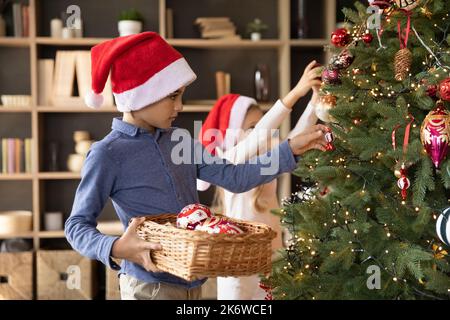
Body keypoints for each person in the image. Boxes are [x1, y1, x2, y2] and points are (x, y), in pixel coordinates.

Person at [64, 31, 328, 300]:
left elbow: (234, 176)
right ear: (140, 96)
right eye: (172, 96)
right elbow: (76, 226)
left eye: (181, 95)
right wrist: (117, 247)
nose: (179, 106)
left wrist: (289, 150)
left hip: (194, 284)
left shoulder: (180, 141)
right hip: (147, 286)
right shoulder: (107, 154)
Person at [197, 61, 322, 300]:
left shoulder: (267, 158)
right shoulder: (227, 160)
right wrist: (296, 93)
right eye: (250, 126)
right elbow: (259, 136)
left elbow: (297, 138)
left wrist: (315, 100)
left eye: (259, 123)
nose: (259, 132)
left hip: (272, 256)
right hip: (237, 264)